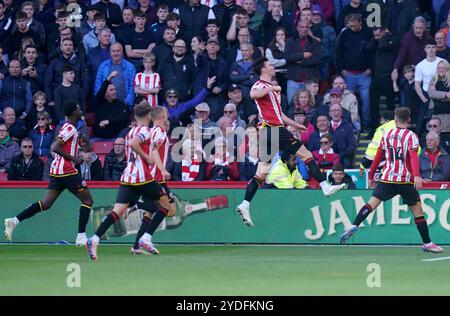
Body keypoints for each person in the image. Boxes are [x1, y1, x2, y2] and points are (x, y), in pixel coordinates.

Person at [236, 58, 346, 227]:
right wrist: (272, 87)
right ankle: (325, 187)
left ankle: (245, 204)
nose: (273, 67)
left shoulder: (270, 90)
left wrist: (295, 125)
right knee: (306, 154)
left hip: (269, 131)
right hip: (273, 130)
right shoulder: (261, 85)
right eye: (270, 65)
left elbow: (280, 115)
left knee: (262, 172)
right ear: (264, 69)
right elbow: (253, 94)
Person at [340, 107, 444, 253]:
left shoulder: (387, 134)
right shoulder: (410, 136)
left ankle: (354, 225)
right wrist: (417, 176)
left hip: (387, 178)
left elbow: (378, 156)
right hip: (405, 180)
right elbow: (413, 157)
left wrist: (371, 176)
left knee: (372, 204)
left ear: (395, 119)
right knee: (418, 212)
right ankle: (427, 243)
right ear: (408, 120)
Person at [86, 103, 172, 260]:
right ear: (148, 116)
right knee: (166, 206)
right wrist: (147, 158)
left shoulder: (129, 132)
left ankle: (95, 238)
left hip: (127, 177)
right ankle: (145, 238)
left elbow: (132, 145)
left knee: (117, 211)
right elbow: (136, 145)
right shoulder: (146, 131)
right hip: (142, 178)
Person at [4, 101, 94, 247]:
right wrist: (75, 159)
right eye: (77, 108)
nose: (80, 109)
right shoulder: (70, 127)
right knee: (88, 200)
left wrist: (82, 147)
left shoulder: (69, 128)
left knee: (46, 204)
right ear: (73, 112)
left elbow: (67, 145)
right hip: (66, 171)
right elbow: (54, 147)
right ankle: (81, 236)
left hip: (57, 171)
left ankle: (14, 221)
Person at [129, 106, 174, 254]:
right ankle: (146, 235)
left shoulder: (151, 131)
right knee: (168, 209)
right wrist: (162, 169)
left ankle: (136, 246)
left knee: (150, 214)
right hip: (156, 177)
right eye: (166, 115)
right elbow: (154, 150)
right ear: (161, 116)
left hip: (150, 175)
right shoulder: (159, 132)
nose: (167, 117)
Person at [92, 71, 130, 139]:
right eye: (111, 90)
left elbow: (124, 116)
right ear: (105, 93)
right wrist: (108, 79)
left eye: (115, 89)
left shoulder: (120, 104)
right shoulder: (98, 102)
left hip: (115, 137)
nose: (114, 91)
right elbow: (101, 92)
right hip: (98, 137)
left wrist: (109, 121)